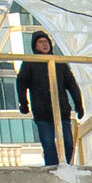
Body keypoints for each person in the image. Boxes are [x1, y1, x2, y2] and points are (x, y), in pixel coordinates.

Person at [15, 30, 83, 169]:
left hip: (61, 110)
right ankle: (52, 169)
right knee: (48, 144)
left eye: (46, 42)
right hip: (42, 113)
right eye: (40, 42)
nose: (44, 44)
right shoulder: (30, 63)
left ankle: (66, 167)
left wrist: (79, 104)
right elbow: (21, 83)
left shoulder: (59, 63)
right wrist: (24, 103)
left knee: (68, 143)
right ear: (35, 46)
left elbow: (72, 84)